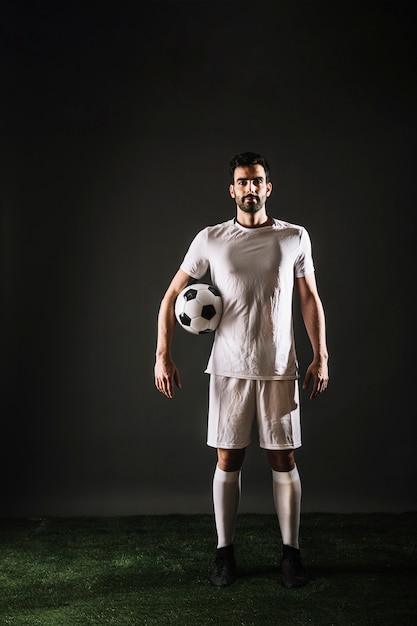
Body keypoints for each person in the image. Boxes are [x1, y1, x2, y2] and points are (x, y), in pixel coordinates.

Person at [154, 151, 329, 589]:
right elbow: (171, 296)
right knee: (228, 459)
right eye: (242, 182)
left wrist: (321, 354)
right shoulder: (211, 238)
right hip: (228, 368)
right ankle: (224, 554)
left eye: (257, 181)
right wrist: (162, 353)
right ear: (232, 189)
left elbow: (309, 298)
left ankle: (291, 554)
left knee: (283, 458)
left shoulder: (294, 237)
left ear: (268, 187)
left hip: (278, 367)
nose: (250, 189)